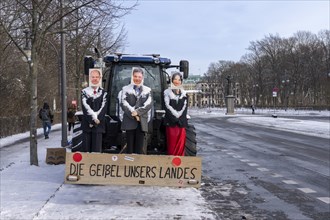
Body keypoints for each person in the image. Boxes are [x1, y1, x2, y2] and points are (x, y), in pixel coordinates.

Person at [120, 67, 152, 154]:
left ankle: (138, 164)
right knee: (129, 148)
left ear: (142, 78)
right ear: (132, 77)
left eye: (139, 77)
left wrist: (137, 113)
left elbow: (148, 105)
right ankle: (129, 164)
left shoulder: (147, 91)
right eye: (135, 76)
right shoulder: (125, 89)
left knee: (139, 147)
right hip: (129, 122)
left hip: (142, 123)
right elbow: (123, 104)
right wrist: (133, 115)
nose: (137, 78)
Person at [81, 69, 107, 153]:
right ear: (89, 78)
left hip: (99, 125)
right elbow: (85, 107)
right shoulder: (84, 92)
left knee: (96, 152)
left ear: (100, 78)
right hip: (87, 124)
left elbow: (103, 107)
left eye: (97, 77)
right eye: (93, 77)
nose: (95, 79)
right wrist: (92, 120)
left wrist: (97, 119)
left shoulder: (104, 93)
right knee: (86, 151)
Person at [163, 71, 188, 156]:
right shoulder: (167, 93)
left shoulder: (184, 94)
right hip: (171, 123)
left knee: (181, 144)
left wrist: (180, 119)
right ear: (172, 80)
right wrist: (175, 119)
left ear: (181, 81)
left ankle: (180, 164)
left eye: (179, 79)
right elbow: (167, 107)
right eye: (175, 79)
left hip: (181, 124)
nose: (177, 81)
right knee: (172, 144)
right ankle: (172, 163)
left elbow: (185, 108)